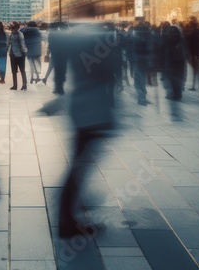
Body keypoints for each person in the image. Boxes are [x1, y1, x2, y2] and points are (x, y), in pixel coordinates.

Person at [58, 22, 121, 238]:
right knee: (79, 166)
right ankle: (66, 219)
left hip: (81, 108)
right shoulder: (99, 46)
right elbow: (108, 74)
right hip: (93, 111)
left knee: (80, 163)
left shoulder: (77, 44)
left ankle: (70, 213)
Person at [161, 20, 187, 101]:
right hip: (179, 59)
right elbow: (185, 48)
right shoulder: (180, 38)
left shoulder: (166, 37)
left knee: (173, 77)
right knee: (178, 76)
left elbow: (162, 48)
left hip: (172, 60)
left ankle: (174, 93)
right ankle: (178, 93)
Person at [8, 22, 28, 90]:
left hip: (20, 55)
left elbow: (22, 44)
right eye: (11, 28)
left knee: (22, 70)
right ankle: (15, 85)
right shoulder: (11, 34)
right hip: (13, 55)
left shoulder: (20, 34)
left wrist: (24, 53)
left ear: (16, 28)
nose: (12, 29)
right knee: (13, 71)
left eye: (13, 28)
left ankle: (24, 84)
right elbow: (9, 44)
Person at [184, 17, 199, 91]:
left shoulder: (193, 33)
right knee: (198, 69)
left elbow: (192, 43)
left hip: (194, 53)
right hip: (198, 53)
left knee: (195, 69)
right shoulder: (198, 31)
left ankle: (194, 85)